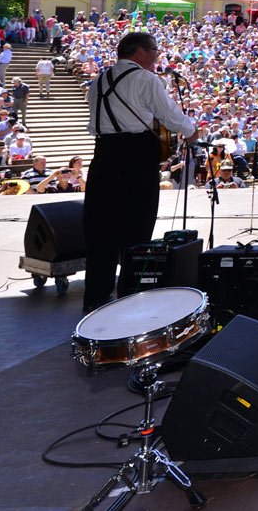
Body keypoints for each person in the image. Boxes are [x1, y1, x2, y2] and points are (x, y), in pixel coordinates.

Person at [83, 31, 196, 314]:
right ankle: (131, 297)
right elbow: (168, 114)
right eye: (155, 50)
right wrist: (192, 131)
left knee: (100, 227)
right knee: (136, 226)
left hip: (103, 154)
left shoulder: (98, 81)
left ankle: (95, 297)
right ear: (140, 52)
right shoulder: (146, 79)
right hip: (135, 155)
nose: (157, 56)